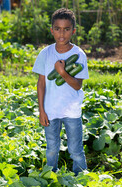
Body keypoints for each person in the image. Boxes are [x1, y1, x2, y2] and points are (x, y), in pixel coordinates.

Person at [32, 8, 89, 175]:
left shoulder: (78, 54)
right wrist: (41, 110)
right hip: (50, 110)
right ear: (52, 30)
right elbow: (41, 83)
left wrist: (62, 72)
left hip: (71, 110)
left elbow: (77, 85)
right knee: (51, 149)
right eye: (57, 29)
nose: (61, 33)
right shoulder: (45, 53)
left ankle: (81, 180)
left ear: (73, 31)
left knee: (75, 150)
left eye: (66, 29)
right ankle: (51, 177)